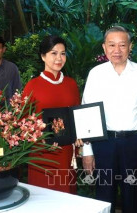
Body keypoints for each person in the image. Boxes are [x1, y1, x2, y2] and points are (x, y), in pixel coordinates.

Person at [81, 25, 137, 213]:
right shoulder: (96, 74)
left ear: (130, 47)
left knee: (132, 194)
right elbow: (86, 113)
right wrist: (87, 151)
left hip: (134, 143)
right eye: (112, 45)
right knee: (103, 195)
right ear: (104, 48)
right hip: (103, 143)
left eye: (122, 45)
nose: (117, 50)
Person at [22, 35, 80, 194]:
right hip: (42, 153)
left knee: (66, 196)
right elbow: (22, 121)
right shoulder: (32, 86)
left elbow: (77, 116)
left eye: (63, 53)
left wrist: (81, 134)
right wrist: (41, 137)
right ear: (43, 56)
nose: (59, 58)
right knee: (43, 197)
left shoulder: (71, 84)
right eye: (54, 53)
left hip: (66, 151)